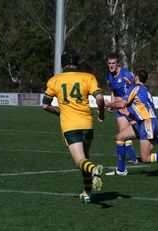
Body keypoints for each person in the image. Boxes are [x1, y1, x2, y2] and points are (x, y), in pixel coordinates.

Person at [41, 48, 105, 204]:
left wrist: (58, 112)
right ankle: (87, 192)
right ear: (77, 62)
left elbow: (44, 105)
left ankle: (95, 170)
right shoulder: (88, 77)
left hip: (70, 125)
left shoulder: (54, 80)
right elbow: (100, 98)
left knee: (80, 162)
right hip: (87, 124)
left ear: (63, 64)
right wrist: (101, 114)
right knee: (85, 159)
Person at [105, 69, 158, 176]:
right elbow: (143, 109)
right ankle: (121, 170)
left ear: (136, 77)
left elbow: (122, 104)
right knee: (120, 137)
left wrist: (109, 104)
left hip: (147, 123)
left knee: (145, 158)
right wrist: (130, 115)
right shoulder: (145, 90)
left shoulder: (135, 87)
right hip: (145, 122)